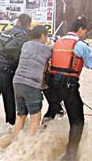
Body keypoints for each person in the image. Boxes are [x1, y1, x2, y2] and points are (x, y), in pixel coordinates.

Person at [43, 16, 91, 161]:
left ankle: (39, 142)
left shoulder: (58, 41)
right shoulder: (80, 45)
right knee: (77, 121)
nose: (85, 34)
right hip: (68, 86)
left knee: (53, 112)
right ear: (81, 29)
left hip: (52, 86)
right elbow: (90, 64)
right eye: (85, 31)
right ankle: (71, 156)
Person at [0, 14, 32, 131]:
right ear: (28, 25)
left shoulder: (7, 31)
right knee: (9, 102)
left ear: (18, 21)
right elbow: (10, 48)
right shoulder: (22, 35)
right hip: (6, 71)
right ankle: (10, 132)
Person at [12, 25, 51, 137]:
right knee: (35, 118)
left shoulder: (25, 45)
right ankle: (29, 145)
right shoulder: (45, 48)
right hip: (31, 84)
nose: (47, 39)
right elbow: (53, 54)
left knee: (21, 115)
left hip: (17, 82)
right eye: (46, 36)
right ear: (42, 35)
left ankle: (14, 141)